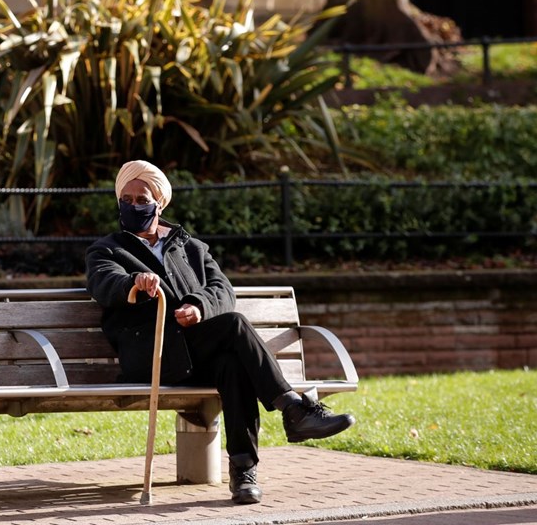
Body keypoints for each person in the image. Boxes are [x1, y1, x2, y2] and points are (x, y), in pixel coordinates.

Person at [85, 160, 355, 505]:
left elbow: (223, 291)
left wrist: (198, 307)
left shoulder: (191, 247)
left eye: (142, 199)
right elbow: (103, 283)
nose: (133, 205)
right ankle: (292, 408)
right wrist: (134, 282)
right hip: (152, 357)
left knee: (232, 363)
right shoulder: (107, 249)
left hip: (196, 353)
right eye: (127, 198)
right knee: (235, 325)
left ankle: (243, 474)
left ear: (160, 203)